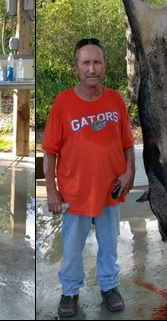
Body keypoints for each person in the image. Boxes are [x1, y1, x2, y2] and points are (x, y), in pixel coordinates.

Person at [43, 38, 134, 317]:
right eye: (86, 62)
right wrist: (51, 190)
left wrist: (130, 171)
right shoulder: (63, 102)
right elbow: (49, 151)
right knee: (72, 248)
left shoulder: (116, 100)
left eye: (97, 62)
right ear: (76, 67)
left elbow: (127, 143)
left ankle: (109, 286)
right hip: (75, 192)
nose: (91, 68)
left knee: (109, 245)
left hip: (111, 190)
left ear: (105, 66)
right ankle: (69, 291)